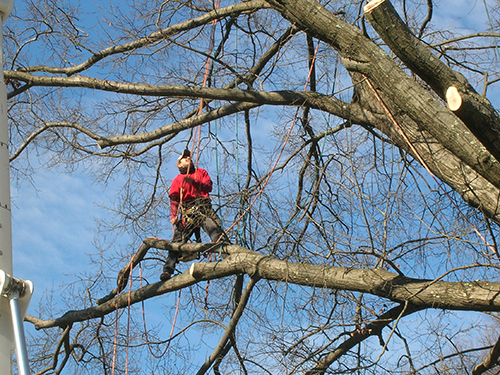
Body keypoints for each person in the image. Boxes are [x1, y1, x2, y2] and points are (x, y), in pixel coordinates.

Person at [160, 149, 229, 281]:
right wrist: (173, 216)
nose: (189, 159)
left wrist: (194, 183)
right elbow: (174, 199)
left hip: (203, 208)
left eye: (189, 157)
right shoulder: (177, 180)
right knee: (177, 240)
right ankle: (168, 269)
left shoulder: (201, 172)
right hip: (188, 210)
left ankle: (229, 258)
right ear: (179, 165)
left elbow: (208, 187)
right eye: (185, 158)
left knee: (215, 231)